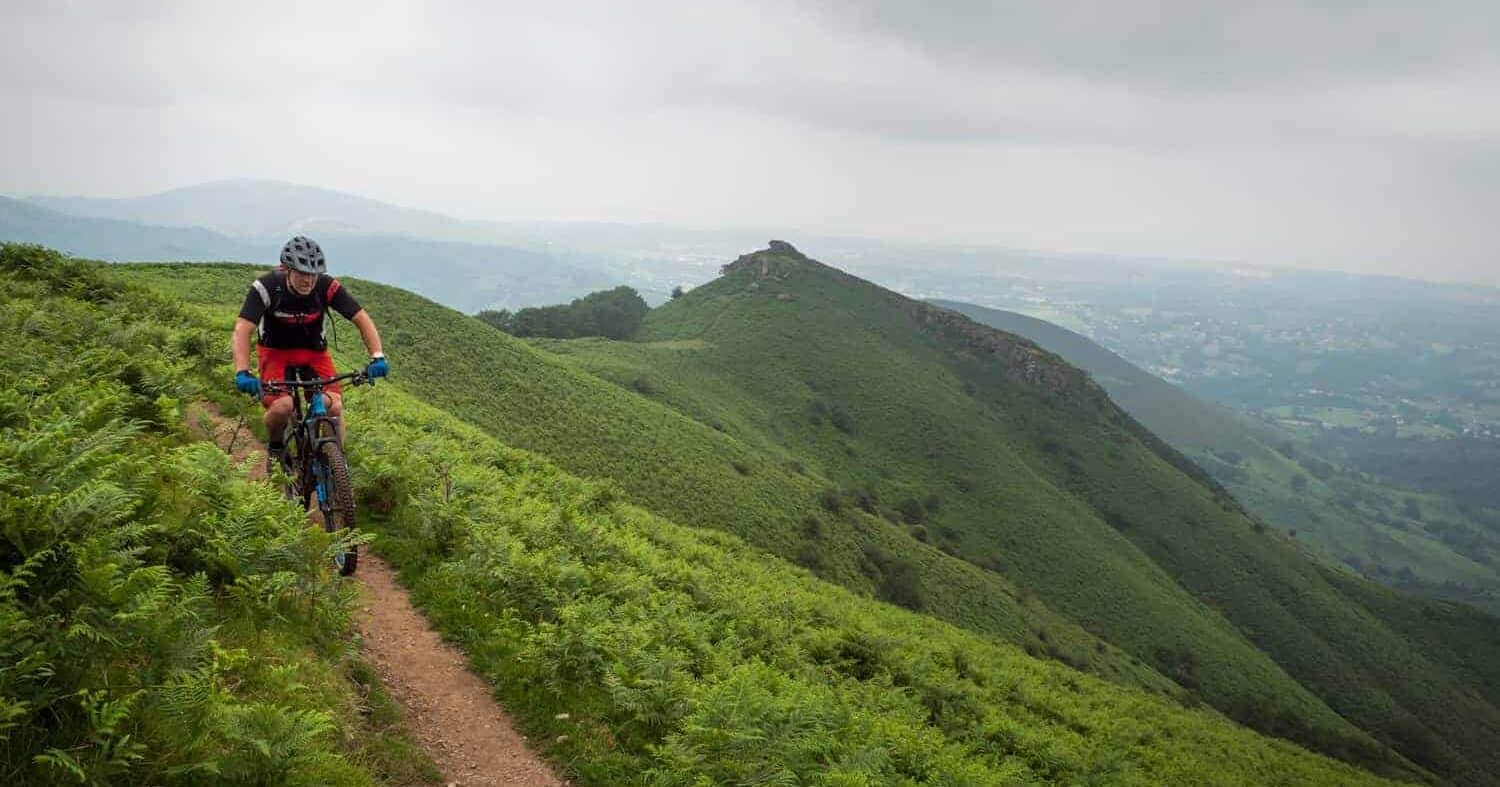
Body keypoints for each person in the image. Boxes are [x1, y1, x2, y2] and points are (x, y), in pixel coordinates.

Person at [231, 236, 389, 468]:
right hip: (275, 352)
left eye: (313, 274)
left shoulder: (326, 287)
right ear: (287, 269)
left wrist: (377, 356)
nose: (308, 280)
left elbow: (361, 318)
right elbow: (242, 330)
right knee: (283, 407)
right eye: (302, 273)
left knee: (333, 406)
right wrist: (242, 371)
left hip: (314, 353)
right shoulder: (266, 288)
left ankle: (337, 465)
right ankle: (276, 445)